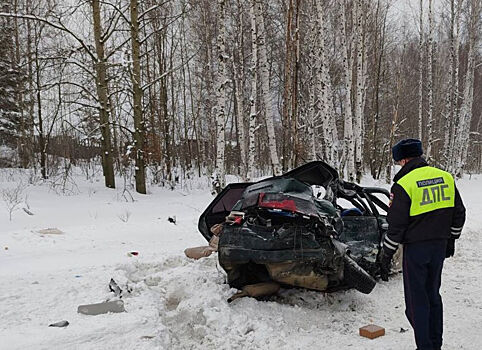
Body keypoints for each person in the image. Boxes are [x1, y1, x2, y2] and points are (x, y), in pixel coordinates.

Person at [379, 138, 466, 350]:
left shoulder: (404, 185)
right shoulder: (445, 177)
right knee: (433, 295)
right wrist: (451, 240)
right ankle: (435, 344)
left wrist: (385, 256)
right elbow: (459, 214)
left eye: (399, 162)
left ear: (404, 159)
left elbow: (396, 227)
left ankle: (425, 346)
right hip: (438, 248)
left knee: (416, 303)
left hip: (416, 250)